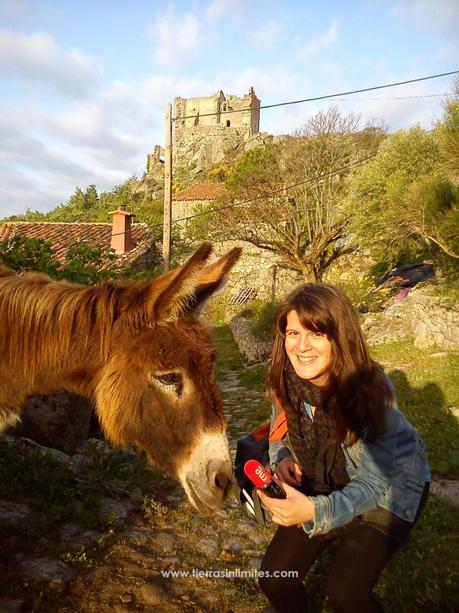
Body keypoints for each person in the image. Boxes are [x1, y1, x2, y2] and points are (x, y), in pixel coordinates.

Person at [257, 284, 429, 613]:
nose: (301, 346)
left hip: (390, 490)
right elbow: (279, 430)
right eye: (293, 332)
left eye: (316, 333)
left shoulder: (371, 393)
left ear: (340, 337)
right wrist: (282, 458)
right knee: (274, 580)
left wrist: (313, 512)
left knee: (346, 597)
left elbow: (372, 485)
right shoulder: (288, 379)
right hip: (326, 480)